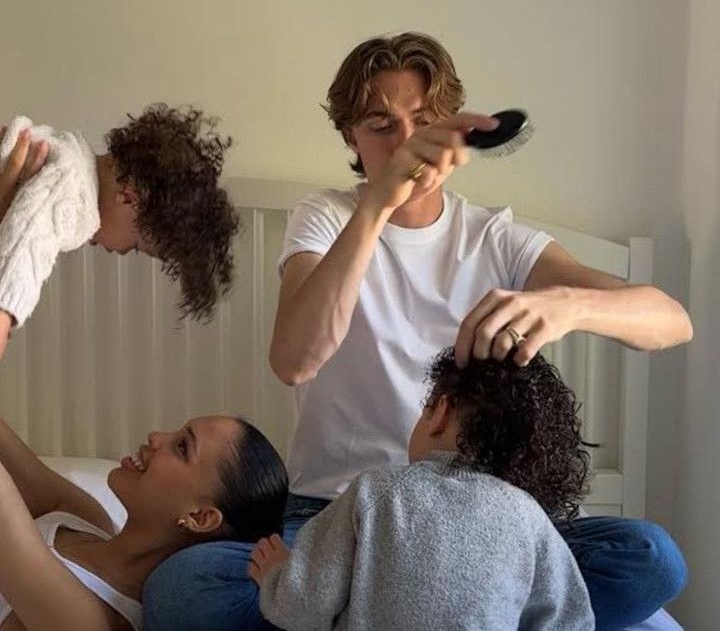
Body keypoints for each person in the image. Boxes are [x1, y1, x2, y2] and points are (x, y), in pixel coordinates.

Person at [144, 32, 691, 631]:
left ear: (456, 129)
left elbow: (671, 320)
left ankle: (381, 613)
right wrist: (376, 206)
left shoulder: (495, 238)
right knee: (185, 588)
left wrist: (568, 306)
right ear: (350, 136)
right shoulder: (325, 217)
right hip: (337, 517)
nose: (405, 142)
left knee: (650, 560)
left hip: (484, 524)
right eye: (380, 124)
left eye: (423, 121)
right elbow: (295, 360)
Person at [249, 350, 596, 630]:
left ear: (440, 412)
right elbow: (571, 621)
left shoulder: (377, 492)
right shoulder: (528, 516)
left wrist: (277, 576)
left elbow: (303, 607)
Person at [0, 411, 288, 631]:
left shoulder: (93, 620)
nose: (155, 436)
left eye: (182, 447)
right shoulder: (88, 519)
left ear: (200, 517)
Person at [0, 105, 239, 361]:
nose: (123, 252)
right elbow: (16, 264)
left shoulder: (71, 154)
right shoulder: (71, 193)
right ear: (128, 199)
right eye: (136, 245)